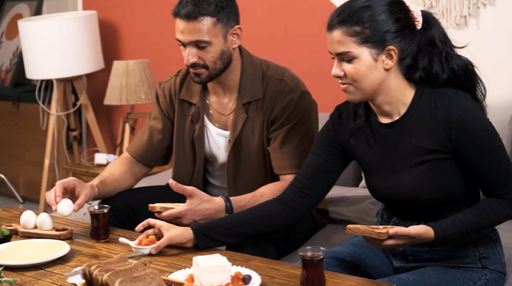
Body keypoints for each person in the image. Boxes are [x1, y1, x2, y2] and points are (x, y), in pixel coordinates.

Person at [135, 0, 512, 285]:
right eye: (333, 58)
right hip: (385, 247)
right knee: (301, 278)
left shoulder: (453, 112)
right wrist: (194, 234)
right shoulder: (347, 121)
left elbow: (506, 198)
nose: (334, 71)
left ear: (388, 57)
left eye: (346, 59)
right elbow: (292, 203)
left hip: (460, 257)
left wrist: (432, 232)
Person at [45, 0, 325, 260]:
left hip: (268, 210)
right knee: (115, 207)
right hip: (197, 199)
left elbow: (294, 187)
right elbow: (136, 161)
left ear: (234, 36)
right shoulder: (176, 88)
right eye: (183, 45)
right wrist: (91, 187)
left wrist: (223, 207)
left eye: (201, 45)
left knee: (246, 247)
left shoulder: (285, 92)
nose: (189, 58)